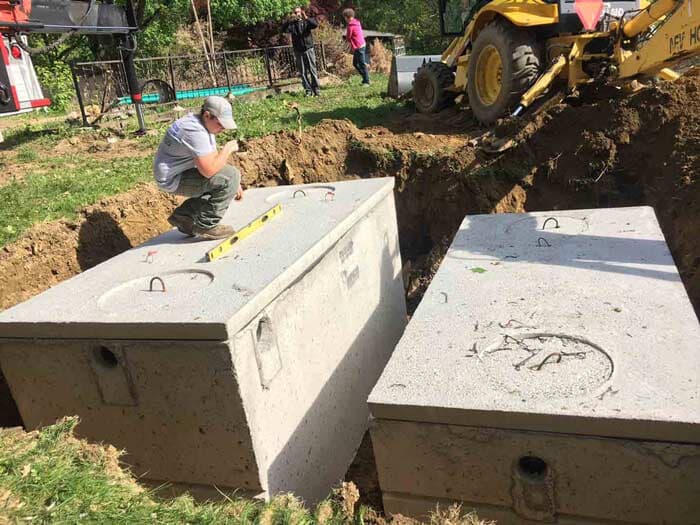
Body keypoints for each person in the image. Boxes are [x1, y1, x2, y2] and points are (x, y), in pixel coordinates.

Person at [153, 96, 244, 240]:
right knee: (230, 176)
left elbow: (213, 160)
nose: (223, 128)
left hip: (177, 172)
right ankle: (206, 225)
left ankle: (184, 216)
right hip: (173, 178)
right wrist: (227, 150)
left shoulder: (201, 125)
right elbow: (209, 171)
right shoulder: (194, 132)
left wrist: (233, 184)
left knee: (228, 179)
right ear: (207, 115)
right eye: (221, 124)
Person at [281, 6, 321, 97]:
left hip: (308, 49)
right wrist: (288, 19)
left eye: (298, 12)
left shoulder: (306, 22)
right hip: (298, 50)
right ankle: (308, 90)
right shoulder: (292, 25)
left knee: (312, 70)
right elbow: (283, 30)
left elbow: (315, 24)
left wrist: (305, 16)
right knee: (302, 72)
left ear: (301, 12)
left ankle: (316, 89)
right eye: (295, 12)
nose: (297, 14)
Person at [343, 8, 370, 87]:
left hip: (359, 46)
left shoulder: (350, 25)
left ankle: (367, 81)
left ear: (346, 17)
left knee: (361, 64)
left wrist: (347, 41)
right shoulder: (357, 22)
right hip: (361, 44)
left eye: (344, 17)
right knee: (355, 63)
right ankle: (365, 77)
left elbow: (348, 37)